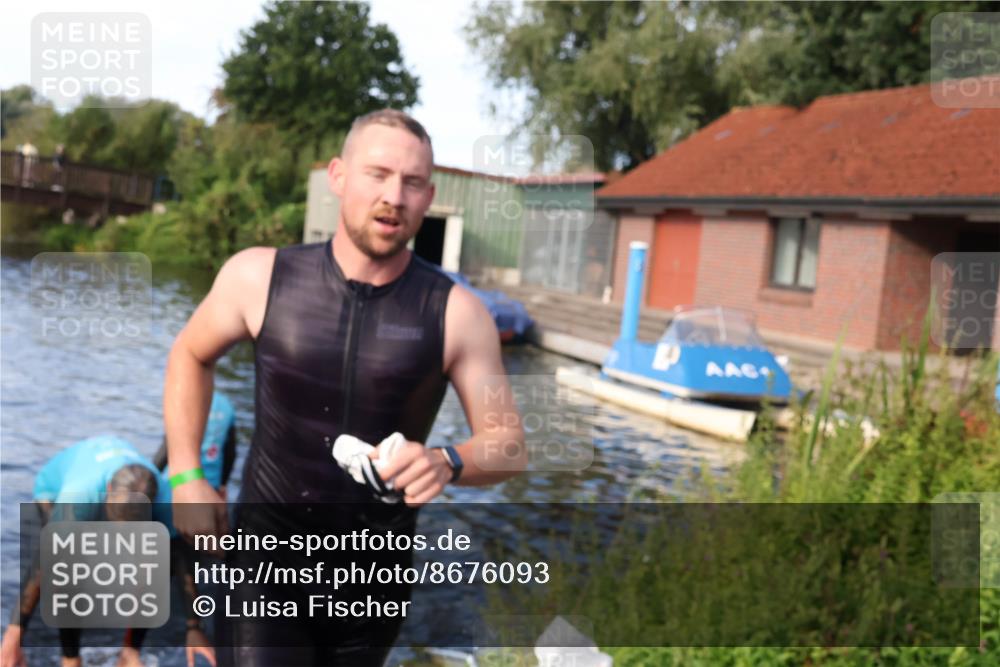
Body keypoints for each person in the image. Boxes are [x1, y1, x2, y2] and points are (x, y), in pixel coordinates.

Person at [164, 109, 527, 666]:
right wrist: (188, 476)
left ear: (428, 197)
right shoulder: (259, 276)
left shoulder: (457, 313)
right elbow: (191, 355)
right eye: (377, 174)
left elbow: (509, 443)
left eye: (410, 183)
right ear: (338, 176)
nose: (394, 196)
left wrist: (447, 461)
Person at [1, 392, 236, 667]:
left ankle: (129, 652)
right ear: (109, 492)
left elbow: (181, 560)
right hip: (54, 487)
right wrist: (13, 636)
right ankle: (71, 659)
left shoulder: (165, 499)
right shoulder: (78, 497)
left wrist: (194, 626)